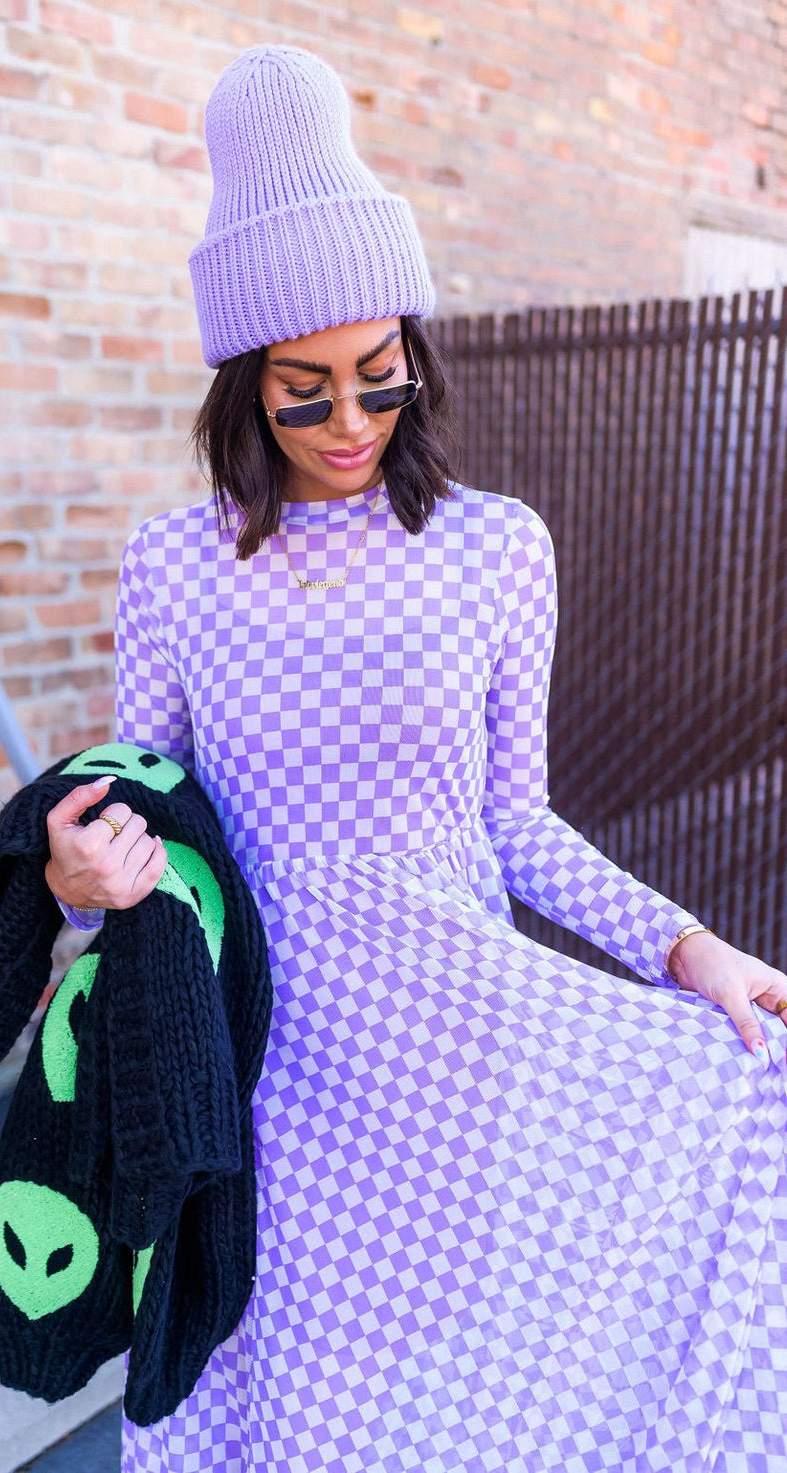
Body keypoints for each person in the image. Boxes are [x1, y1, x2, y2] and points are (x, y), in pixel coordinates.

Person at [43, 44, 787, 1473]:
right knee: (314, 1415)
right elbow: (133, 835)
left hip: (467, 1057)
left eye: (379, 380)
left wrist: (685, 948)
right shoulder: (173, 570)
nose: (349, 427)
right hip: (269, 1068)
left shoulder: (499, 547)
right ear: (240, 387)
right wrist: (84, 877)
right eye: (302, 392)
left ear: (417, 357)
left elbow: (517, 821)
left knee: (484, 1403)